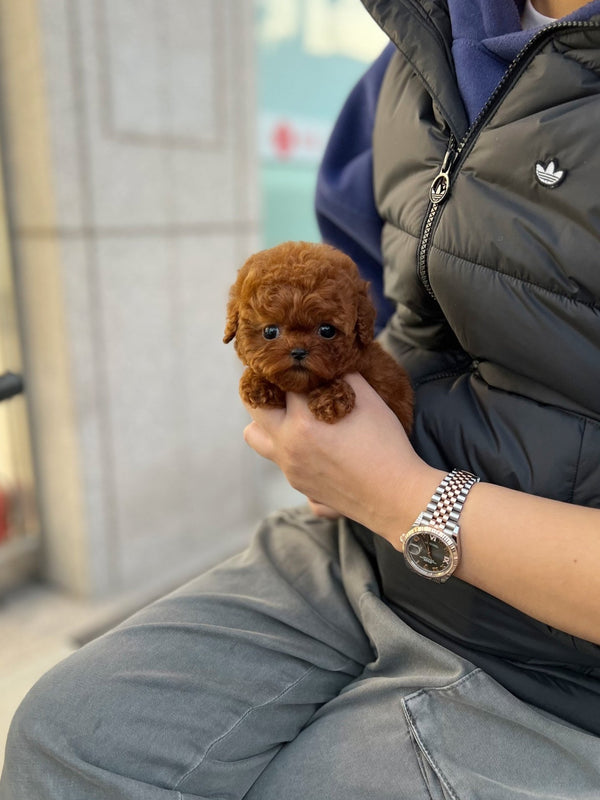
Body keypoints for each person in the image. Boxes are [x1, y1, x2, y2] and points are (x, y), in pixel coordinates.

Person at [2, 0, 600, 796]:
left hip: (559, 665)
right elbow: (357, 304)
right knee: (70, 736)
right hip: (355, 549)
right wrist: (319, 429)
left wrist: (400, 495)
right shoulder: (411, 60)